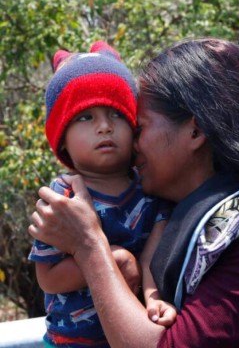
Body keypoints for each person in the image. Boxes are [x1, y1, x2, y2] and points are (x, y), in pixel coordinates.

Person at [28, 37, 239, 347]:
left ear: (195, 130)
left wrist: (89, 246)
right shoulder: (180, 210)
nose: (131, 147)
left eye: (139, 128)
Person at [28, 41, 175, 348]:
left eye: (116, 115)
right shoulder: (62, 198)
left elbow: (151, 259)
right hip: (69, 342)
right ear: (62, 140)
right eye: (86, 117)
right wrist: (115, 261)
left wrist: (153, 298)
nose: (105, 127)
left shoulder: (150, 188)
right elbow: (48, 278)